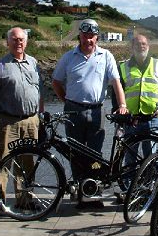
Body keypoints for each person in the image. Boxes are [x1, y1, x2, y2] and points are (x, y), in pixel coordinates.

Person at [52, 18, 128, 209]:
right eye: (85, 36)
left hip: (97, 110)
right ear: (80, 36)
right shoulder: (69, 57)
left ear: (97, 37)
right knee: (75, 153)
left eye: (92, 37)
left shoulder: (106, 55)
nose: (88, 40)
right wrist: (67, 101)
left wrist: (123, 104)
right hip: (73, 110)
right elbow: (56, 81)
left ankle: (93, 193)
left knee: (95, 154)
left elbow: (116, 82)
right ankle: (80, 192)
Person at [0, 27, 44, 214]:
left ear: (26, 42)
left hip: (31, 121)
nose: (18, 42)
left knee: (27, 163)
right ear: (8, 42)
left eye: (21, 39)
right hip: (7, 122)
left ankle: (25, 200)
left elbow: (40, 91)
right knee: (3, 163)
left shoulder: (34, 63)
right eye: (14, 39)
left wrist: (41, 115)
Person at [112, 34, 158, 160]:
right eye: (137, 44)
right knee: (129, 157)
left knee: (151, 158)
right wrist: (117, 111)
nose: (141, 47)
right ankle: (129, 180)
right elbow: (116, 92)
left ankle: (152, 180)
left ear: (148, 46)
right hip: (130, 120)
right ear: (132, 47)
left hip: (152, 119)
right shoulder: (123, 67)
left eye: (143, 44)